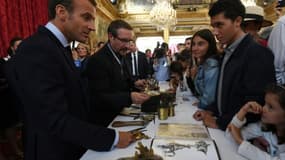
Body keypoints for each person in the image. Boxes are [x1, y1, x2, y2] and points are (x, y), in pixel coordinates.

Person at [5, 1, 134, 160]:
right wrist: (112, 138)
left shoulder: (57, 46)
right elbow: (54, 119)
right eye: (86, 18)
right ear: (61, 12)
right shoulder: (38, 49)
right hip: (53, 151)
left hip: (71, 145)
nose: (92, 27)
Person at [193, 0, 276, 130]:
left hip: (242, 132)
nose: (214, 32)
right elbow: (225, 93)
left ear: (237, 21)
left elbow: (256, 104)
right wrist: (211, 110)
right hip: (227, 126)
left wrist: (220, 122)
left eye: (220, 25)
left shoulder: (258, 53)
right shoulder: (229, 51)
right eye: (213, 26)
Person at [84, 20, 149, 127]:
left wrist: (134, 83)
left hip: (120, 113)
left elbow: (121, 79)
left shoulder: (121, 54)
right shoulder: (98, 60)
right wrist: (130, 97)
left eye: (130, 41)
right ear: (111, 37)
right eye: (124, 40)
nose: (128, 46)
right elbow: (100, 96)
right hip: (105, 120)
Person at [226, 84, 285, 160]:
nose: (263, 109)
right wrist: (243, 111)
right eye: (265, 103)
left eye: (270, 107)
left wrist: (240, 142)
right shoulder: (265, 126)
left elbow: (237, 138)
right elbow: (229, 136)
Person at [191, 29, 219, 109]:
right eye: (193, 44)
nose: (195, 48)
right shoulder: (202, 63)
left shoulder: (211, 63)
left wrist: (201, 104)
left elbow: (210, 97)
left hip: (210, 111)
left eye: (200, 44)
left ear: (210, 45)